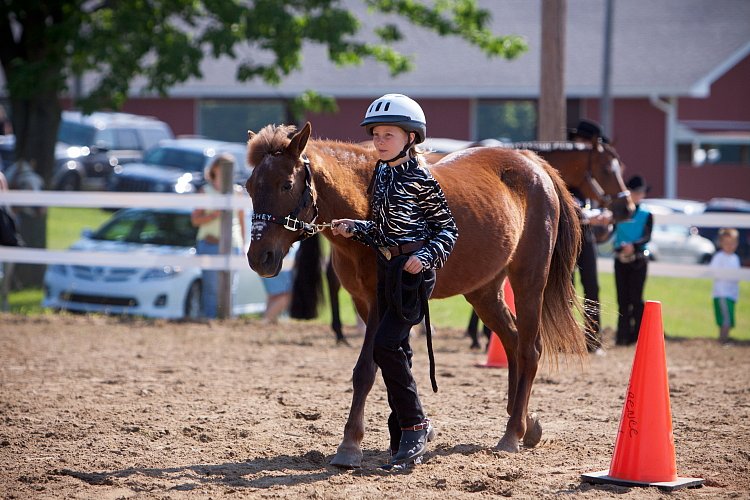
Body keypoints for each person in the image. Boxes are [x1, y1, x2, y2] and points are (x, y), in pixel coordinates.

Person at [330, 94, 458, 467]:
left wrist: (425, 256)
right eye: (376, 134)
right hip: (386, 270)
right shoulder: (382, 173)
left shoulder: (421, 177)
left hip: (412, 276)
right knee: (397, 350)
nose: (380, 140)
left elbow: (447, 230)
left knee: (384, 346)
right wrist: (356, 228)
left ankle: (415, 424)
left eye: (389, 134)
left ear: (411, 138)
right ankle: (402, 430)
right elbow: (384, 230)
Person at [567, 119, 612, 353]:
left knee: (592, 286)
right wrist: (591, 216)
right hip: (567, 236)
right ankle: (564, 338)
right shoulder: (566, 169)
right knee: (567, 288)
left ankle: (593, 339)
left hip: (585, 235)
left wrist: (602, 214)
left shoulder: (590, 174)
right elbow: (568, 204)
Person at [191, 153, 245, 319]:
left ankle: (228, 318)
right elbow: (195, 220)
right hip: (210, 242)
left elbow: (242, 221)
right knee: (211, 288)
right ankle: (210, 318)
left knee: (230, 286)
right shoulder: (205, 191)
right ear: (214, 168)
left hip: (233, 243)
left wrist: (244, 244)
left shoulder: (237, 192)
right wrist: (213, 215)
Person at [613, 175, 653, 346]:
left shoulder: (646, 214)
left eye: (640, 192)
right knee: (622, 299)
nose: (638, 195)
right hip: (621, 257)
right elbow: (613, 234)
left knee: (636, 298)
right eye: (636, 192)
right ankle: (622, 335)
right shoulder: (619, 213)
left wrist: (633, 246)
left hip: (638, 259)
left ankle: (638, 335)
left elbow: (646, 236)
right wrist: (622, 247)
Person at [710, 228, 740, 343]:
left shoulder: (735, 258)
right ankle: (723, 339)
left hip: (731, 294)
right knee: (724, 318)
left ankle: (724, 337)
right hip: (721, 293)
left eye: (732, 243)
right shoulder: (719, 257)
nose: (729, 246)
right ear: (721, 243)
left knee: (729, 317)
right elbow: (713, 271)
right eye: (726, 243)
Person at [261, 241, 298, 324]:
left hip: (269, 259)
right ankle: (265, 321)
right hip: (279, 261)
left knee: (275, 296)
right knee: (287, 295)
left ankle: (267, 321)